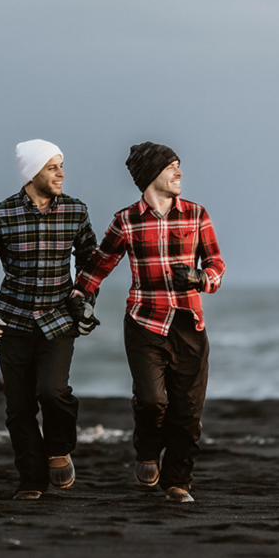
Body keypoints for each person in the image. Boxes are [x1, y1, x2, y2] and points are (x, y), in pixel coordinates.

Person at [73, 143, 225, 503]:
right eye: (172, 167)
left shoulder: (197, 214)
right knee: (151, 401)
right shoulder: (126, 220)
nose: (179, 173)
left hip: (189, 326)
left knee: (187, 414)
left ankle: (177, 483)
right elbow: (99, 264)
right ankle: (146, 451)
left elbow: (217, 265)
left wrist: (200, 279)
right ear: (152, 175)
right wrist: (80, 297)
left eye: (178, 166)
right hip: (144, 322)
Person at [0, 140, 98, 501]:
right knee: (19, 407)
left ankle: (58, 449)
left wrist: (85, 302)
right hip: (13, 323)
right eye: (53, 167)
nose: (61, 173)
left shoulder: (75, 211)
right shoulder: (1, 215)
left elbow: (90, 262)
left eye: (61, 165)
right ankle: (31, 480)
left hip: (58, 321)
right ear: (33, 172)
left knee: (53, 392)